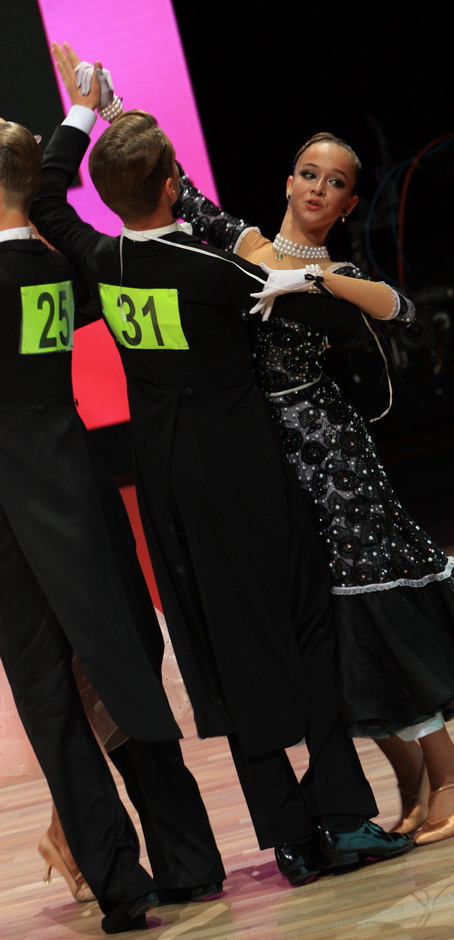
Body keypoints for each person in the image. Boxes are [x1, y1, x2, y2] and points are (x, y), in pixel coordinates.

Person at [31, 45, 413, 891]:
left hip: (166, 491)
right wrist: (318, 283)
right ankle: (344, 819)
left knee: (221, 654)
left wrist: (83, 113)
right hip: (246, 478)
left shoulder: (100, 257)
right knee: (307, 630)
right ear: (172, 184)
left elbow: (48, 194)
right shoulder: (219, 273)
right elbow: (346, 315)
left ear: (112, 195)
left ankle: (289, 839)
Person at [172, 133, 454, 844]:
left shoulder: (338, 272)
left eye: (336, 182)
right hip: (269, 461)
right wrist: (105, 111)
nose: (319, 188)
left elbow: (400, 308)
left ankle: (449, 768)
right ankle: (410, 776)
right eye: (309, 174)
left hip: (333, 456)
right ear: (288, 182)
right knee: (330, 624)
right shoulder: (247, 246)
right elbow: (182, 191)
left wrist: (313, 281)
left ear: (350, 204)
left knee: (372, 607)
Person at [0, 119, 225, 935]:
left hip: (12, 502)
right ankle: (189, 861)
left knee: (51, 697)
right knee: (124, 674)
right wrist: (79, 119)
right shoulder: (62, 266)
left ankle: (121, 885)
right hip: (80, 478)